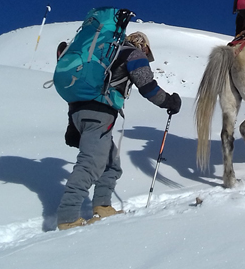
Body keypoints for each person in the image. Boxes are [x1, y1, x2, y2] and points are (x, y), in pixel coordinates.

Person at [56, 31, 182, 230]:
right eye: (147, 51)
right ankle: (68, 217)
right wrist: (170, 102)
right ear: (143, 45)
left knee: (111, 165)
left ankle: (103, 205)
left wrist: (73, 124)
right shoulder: (133, 54)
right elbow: (148, 87)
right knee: (90, 164)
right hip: (99, 114)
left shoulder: (104, 55)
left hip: (81, 112)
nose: (146, 54)